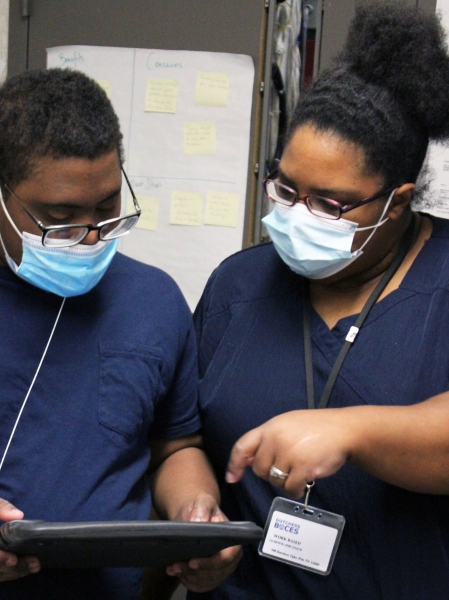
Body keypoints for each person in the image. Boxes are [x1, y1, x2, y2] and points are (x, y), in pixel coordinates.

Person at [0, 69, 239, 600]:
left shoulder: (153, 301)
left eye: (106, 209)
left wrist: (196, 509)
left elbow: (175, 448)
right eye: (60, 219)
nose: (91, 236)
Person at [190, 3, 449, 599]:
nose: (297, 215)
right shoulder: (238, 287)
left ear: (399, 201)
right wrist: (196, 513)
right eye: (286, 188)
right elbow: (182, 439)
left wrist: (354, 431)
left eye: (330, 204)